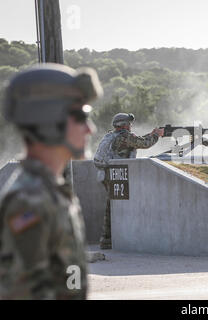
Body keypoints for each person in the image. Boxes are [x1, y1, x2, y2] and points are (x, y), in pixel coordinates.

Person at [0, 63, 103, 299]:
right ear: (48, 121)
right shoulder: (30, 201)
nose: (90, 129)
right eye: (80, 116)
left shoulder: (51, 192)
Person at [93, 113, 163, 249]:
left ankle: (107, 240)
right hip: (116, 174)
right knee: (117, 209)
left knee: (110, 207)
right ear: (124, 124)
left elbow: (137, 140)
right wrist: (156, 135)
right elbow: (144, 143)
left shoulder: (112, 135)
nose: (130, 126)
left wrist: (152, 133)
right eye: (129, 123)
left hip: (108, 173)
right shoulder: (125, 136)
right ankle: (114, 240)